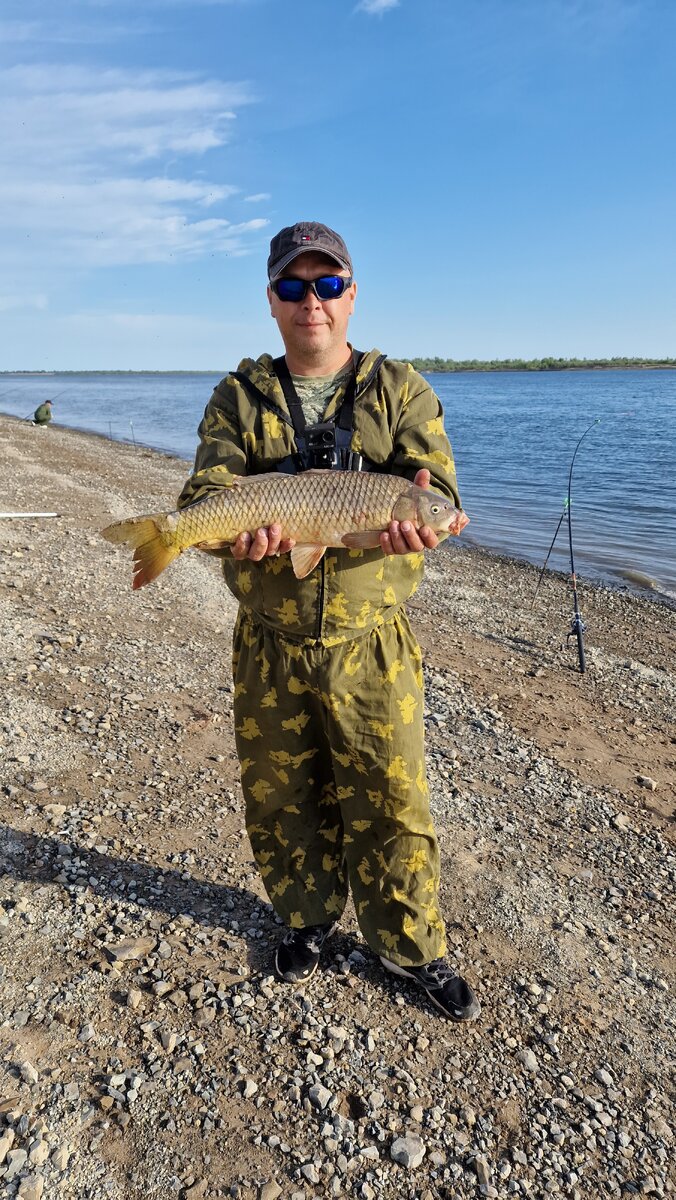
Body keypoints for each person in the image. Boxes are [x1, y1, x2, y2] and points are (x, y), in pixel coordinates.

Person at [178, 221, 480, 1021]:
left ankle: (407, 945)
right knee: (283, 797)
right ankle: (307, 919)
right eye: (293, 287)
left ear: (353, 297)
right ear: (273, 303)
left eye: (328, 285)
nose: (312, 302)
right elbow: (202, 495)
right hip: (270, 645)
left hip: (370, 645)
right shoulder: (238, 397)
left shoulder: (399, 389)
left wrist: (427, 510)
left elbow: (436, 482)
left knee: (391, 798)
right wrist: (235, 541)